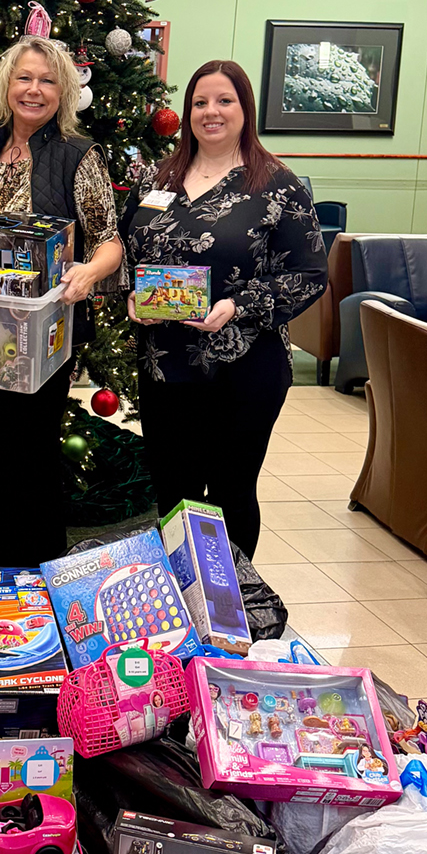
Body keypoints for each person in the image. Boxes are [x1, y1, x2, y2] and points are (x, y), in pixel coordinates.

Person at [121, 59, 326, 558]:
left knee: (232, 493)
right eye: (199, 102)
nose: (210, 112)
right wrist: (131, 296)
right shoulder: (158, 177)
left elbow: (311, 275)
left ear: (244, 109)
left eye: (224, 101)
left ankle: (231, 613)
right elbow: (126, 249)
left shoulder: (278, 185)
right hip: (165, 366)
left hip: (244, 368)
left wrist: (239, 304)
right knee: (174, 493)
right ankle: (183, 606)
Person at [0, 37, 124, 568]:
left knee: (33, 459)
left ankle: (40, 585)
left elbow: (109, 238)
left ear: (62, 90)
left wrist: (88, 270)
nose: (34, 90)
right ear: (7, 86)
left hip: (41, 337)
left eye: (46, 80)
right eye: (24, 78)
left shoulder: (78, 155)